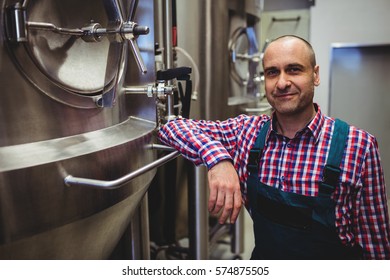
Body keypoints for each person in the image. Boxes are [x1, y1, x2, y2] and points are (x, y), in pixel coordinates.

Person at [158, 35, 390, 259]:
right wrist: (218, 159)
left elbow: (376, 246)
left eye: (294, 69)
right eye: (272, 72)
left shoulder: (359, 146)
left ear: (315, 75)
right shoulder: (246, 133)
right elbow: (171, 128)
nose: (281, 83)